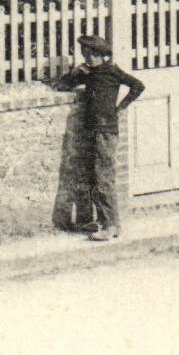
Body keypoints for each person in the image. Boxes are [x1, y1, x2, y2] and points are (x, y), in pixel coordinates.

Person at [50, 33, 144, 241]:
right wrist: (75, 74)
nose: (89, 58)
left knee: (104, 178)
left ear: (104, 56)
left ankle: (111, 225)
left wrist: (121, 107)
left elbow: (138, 85)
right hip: (91, 130)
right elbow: (60, 86)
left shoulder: (112, 71)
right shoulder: (88, 73)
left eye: (94, 55)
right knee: (92, 177)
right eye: (86, 54)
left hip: (106, 131)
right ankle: (101, 221)